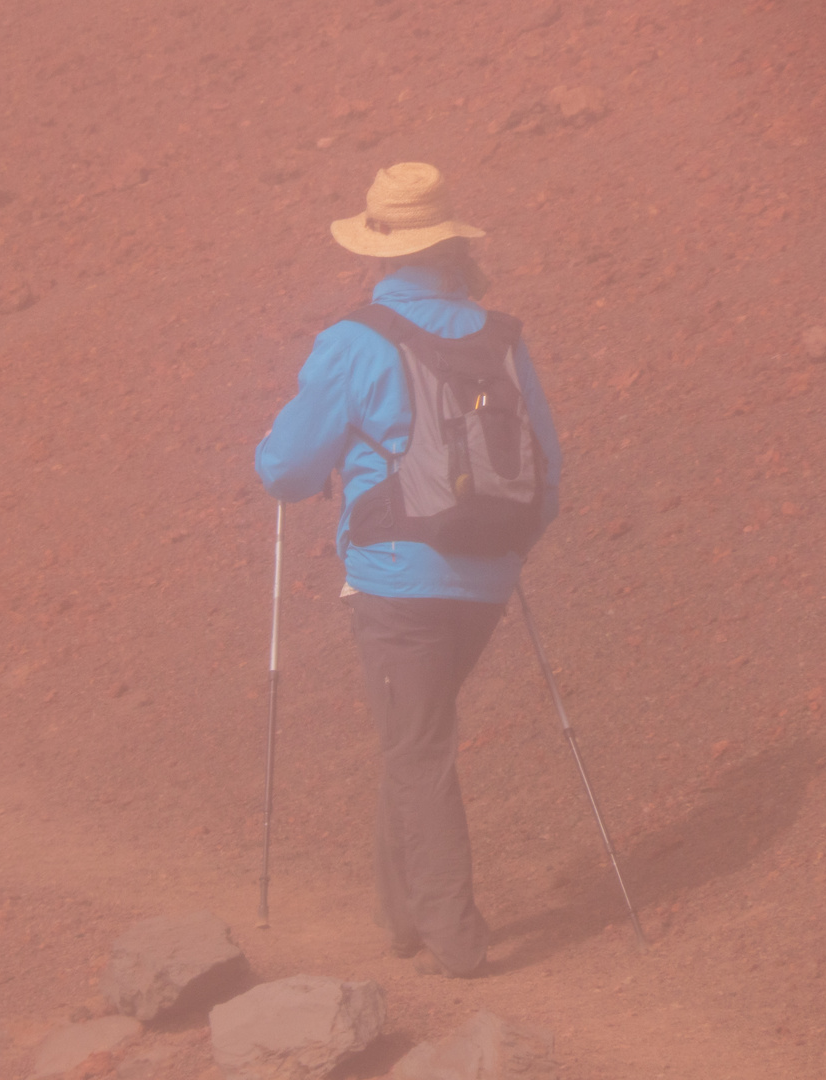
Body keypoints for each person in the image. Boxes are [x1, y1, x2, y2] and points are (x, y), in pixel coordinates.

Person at [255, 162, 562, 978]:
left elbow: (285, 470)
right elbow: (549, 474)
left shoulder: (354, 341)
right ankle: (402, 917)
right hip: (486, 581)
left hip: (396, 584)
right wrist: (495, 553)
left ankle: (455, 936)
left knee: (417, 747)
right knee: (411, 738)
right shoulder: (499, 336)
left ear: (382, 250)